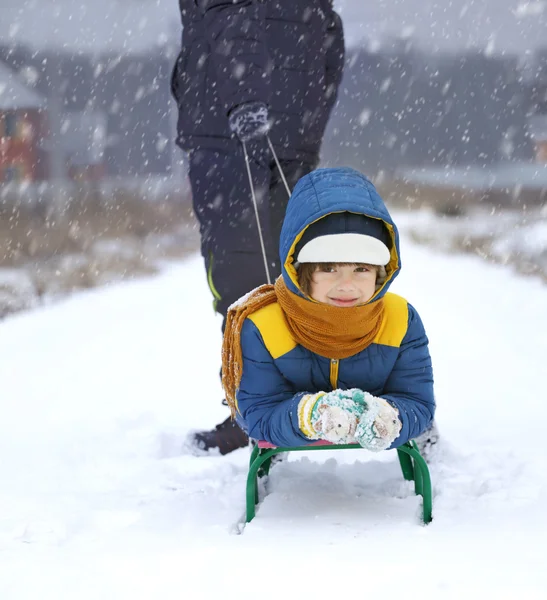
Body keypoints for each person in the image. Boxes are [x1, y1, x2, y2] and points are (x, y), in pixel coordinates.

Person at [171, 0, 345, 453]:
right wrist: (307, 122)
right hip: (287, 130)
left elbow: (232, 19)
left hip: (232, 131)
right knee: (292, 268)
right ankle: (299, 405)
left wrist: (243, 98)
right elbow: (329, 41)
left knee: (241, 273)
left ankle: (258, 413)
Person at [221, 167, 435, 451]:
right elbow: (259, 412)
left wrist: (394, 415)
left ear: (381, 273)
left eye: (361, 268)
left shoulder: (400, 318)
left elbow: (418, 400)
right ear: (300, 271)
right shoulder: (263, 324)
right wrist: (308, 414)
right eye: (329, 268)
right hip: (294, 421)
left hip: (378, 413)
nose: (346, 285)